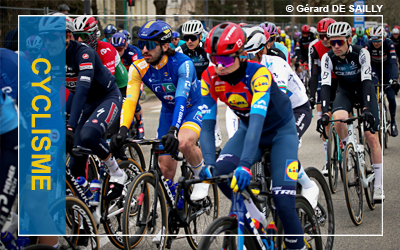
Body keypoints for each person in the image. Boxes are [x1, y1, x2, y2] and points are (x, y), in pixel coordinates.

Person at [200, 22, 306, 250]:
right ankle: (257, 216)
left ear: (242, 55)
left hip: (280, 133)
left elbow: (258, 121)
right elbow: (207, 125)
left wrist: (246, 165)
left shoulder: (258, 75)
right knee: (220, 173)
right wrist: (208, 162)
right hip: (248, 130)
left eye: (226, 60)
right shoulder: (209, 77)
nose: (218, 66)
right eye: (213, 59)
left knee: (283, 201)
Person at [110, 20, 209, 202]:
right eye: (141, 45)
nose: (144, 50)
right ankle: (172, 207)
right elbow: (131, 100)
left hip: (190, 108)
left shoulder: (183, 64)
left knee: (184, 143)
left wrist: (174, 130)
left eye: (149, 45)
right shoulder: (138, 68)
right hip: (168, 111)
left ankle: (201, 175)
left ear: (164, 46)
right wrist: (123, 129)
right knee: (164, 171)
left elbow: (181, 98)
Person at [243, 26, 319, 208]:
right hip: (269, 111)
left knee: (282, 147)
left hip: (296, 109)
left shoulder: (276, 64)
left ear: (263, 50)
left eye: (252, 55)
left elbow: (280, 102)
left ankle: (308, 185)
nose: (248, 59)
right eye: (244, 55)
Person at [317, 21, 384, 202]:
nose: (336, 46)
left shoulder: (362, 54)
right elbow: (325, 86)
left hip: (364, 91)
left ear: (349, 39)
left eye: (340, 42)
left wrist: (367, 109)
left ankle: (378, 186)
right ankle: (349, 149)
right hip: (345, 92)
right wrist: (324, 113)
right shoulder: (328, 58)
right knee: (338, 119)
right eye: (332, 42)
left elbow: (367, 82)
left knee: (371, 136)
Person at [67, 17, 127, 199]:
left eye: (83, 35)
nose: (80, 40)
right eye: (77, 36)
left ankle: (116, 172)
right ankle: (85, 204)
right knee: (75, 155)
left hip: (107, 97)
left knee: (88, 134)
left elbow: (82, 90)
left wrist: (70, 126)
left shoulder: (88, 53)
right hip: (85, 101)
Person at [176, 19, 223, 148]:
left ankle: (216, 130)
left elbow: (214, 67)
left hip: (206, 78)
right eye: (186, 38)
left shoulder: (207, 49)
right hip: (190, 81)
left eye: (193, 37)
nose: (189, 41)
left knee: (210, 98)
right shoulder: (180, 50)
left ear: (200, 36)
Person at [308, 18, 339, 175]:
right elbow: (314, 75)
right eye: (321, 36)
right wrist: (311, 96)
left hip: (342, 82)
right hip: (326, 83)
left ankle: (349, 147)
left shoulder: (339, 44)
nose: (325, 39)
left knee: (342, 117)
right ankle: (328, 161)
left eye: (327, 35)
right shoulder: (314, 48)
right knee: (325, 121)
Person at [365, 25, 399, 137]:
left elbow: (394, 63)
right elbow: (365, 61)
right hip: (375, 69)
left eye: (378, 40)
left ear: (383, 38)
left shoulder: (389, 44)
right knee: (372, 90)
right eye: (373, 40)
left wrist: (394, 78)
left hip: (387, 69)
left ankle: (393, 121)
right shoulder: (368, 44)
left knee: (391, 96)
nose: (375, 43)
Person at [110, 32, 145, 139]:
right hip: (119, 82)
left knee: (134, 101)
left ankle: (140, 123)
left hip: (135, 79)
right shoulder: (111, 52)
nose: (117, 52)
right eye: (114, 49)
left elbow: (138, 70)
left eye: (120, 49)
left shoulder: (133, 52)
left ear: (125, 46)